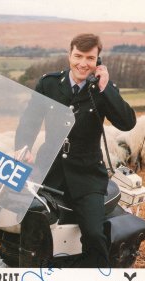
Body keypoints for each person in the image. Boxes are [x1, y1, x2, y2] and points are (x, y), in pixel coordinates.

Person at [15, 33, 136, 268]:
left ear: (98, 61)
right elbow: (30, 119)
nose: (83, 63)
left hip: (87, 174)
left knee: (93, 232)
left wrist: (105, 88)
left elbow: (127, 122)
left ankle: (97, 279)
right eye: (78, 56)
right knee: (23, 220)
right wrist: (24, 145)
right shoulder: (49, 83)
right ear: (69, 55)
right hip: (48, 169)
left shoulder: (102, 89)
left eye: (90, 58)